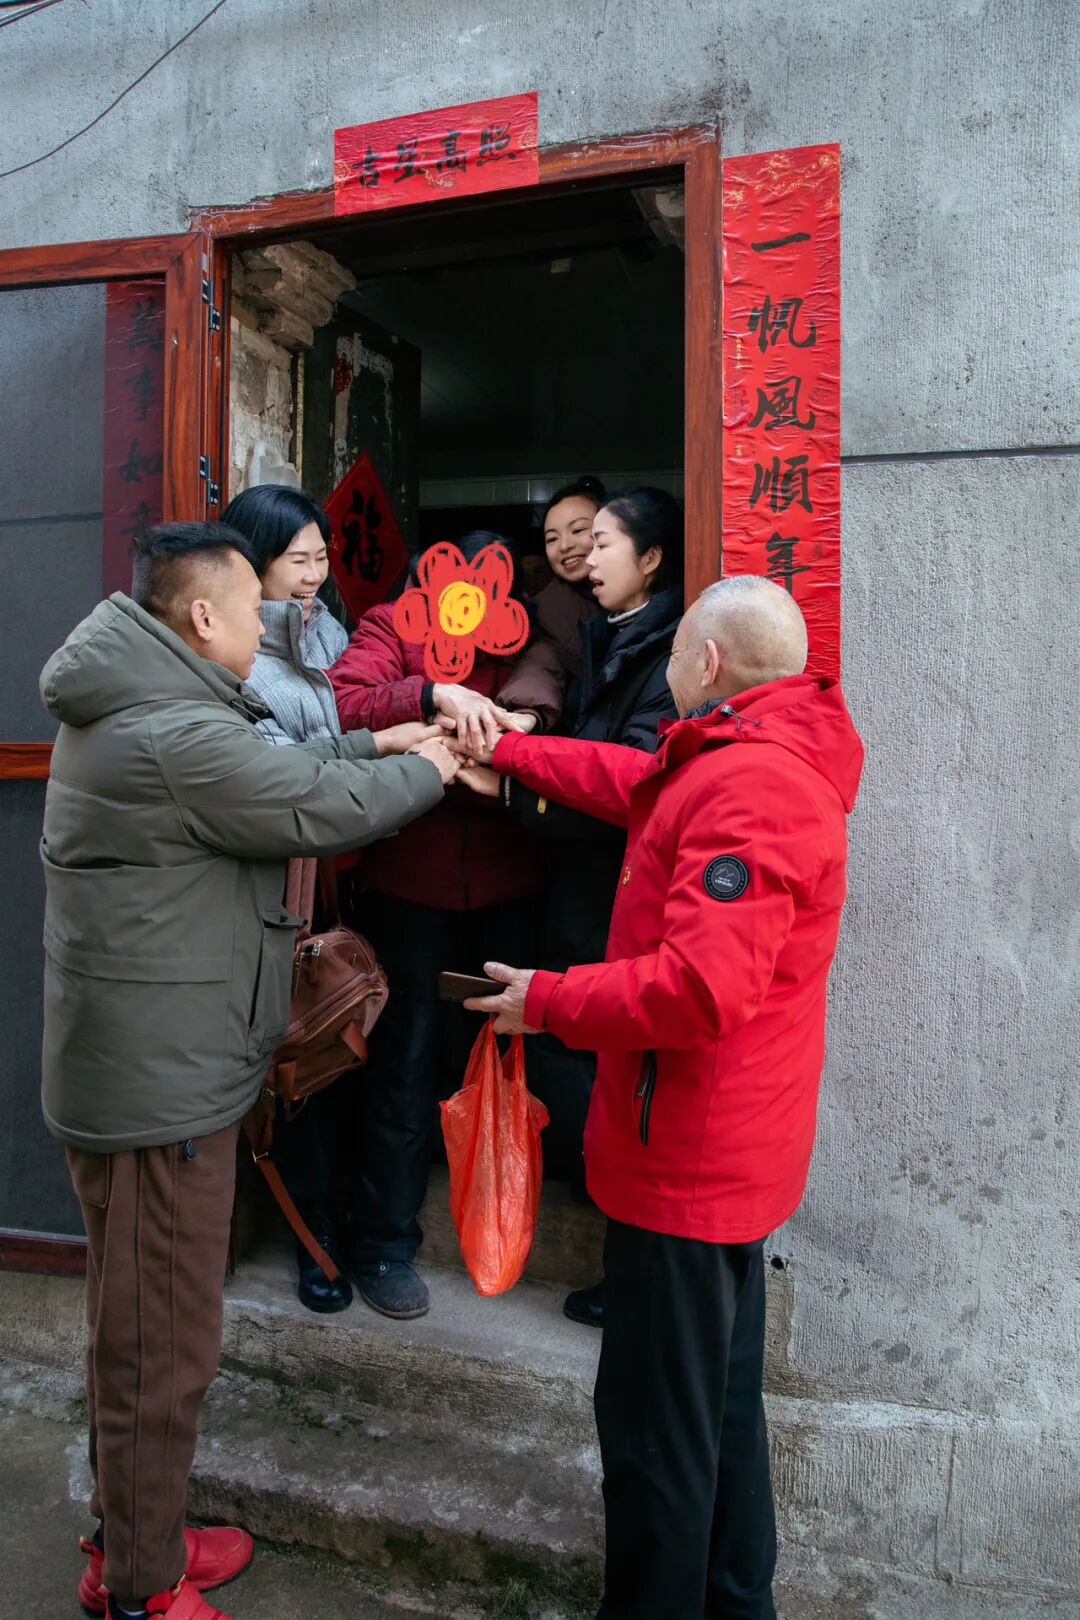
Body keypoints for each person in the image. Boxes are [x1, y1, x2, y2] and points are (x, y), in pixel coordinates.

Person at [40, 522, 458, 1620]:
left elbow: (285, 768)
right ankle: (142, 1589)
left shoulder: (148, 706)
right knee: (163, 1348)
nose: (269, 623)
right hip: (160, 1093)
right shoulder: (170, 731)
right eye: (252, 606)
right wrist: (435, 765)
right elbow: (314, 806)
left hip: (149, 1071)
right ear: (202, 617)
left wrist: (383, 740)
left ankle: (133, 1540)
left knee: (136, 1330)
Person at [462, 576, 865, 1620]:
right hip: (720, 1153)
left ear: (708, 662)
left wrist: (547, 1001)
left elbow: (698, 990)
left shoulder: (753, 787)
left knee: (653, 1438)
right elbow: (631, 780)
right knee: (715, 1413)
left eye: (679, 648)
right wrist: (510, 749)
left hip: (687, 1161)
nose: (671, 665)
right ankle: (736, 1601)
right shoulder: (745, 755)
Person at [459, 488, 684, 1330]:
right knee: (583, 1068)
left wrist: (514, 773)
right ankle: (621, 1258)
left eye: (602, 542)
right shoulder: (603, 630)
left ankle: (634, 1273)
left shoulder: (667, 652)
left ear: (651, 559)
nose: (585, 558)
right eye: (568, 542)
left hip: (618, 893)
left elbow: (627, 780)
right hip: (585, 887)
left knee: (612, 1076)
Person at [328, 531, 562, 1321]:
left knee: (506, 1059)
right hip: (408, 886)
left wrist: (519, 724)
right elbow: (347, 700)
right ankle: (382, 1242)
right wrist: (432, 695)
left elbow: (552, 695)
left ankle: (500, 1223)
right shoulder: (391, 626)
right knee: (402, 1060)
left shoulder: (528, 635)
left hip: (510, 884)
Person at [222, 483, 371, 1315]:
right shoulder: (232, 653)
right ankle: (311, 1232)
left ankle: (341, 1212)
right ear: (252, 562)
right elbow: (280, 773)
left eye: (321, 557)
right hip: (272, 886)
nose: (314, 575)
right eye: (298, 559)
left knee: (341, 1040)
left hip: (338, 873)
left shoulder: (330, 632)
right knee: (296, 1054)